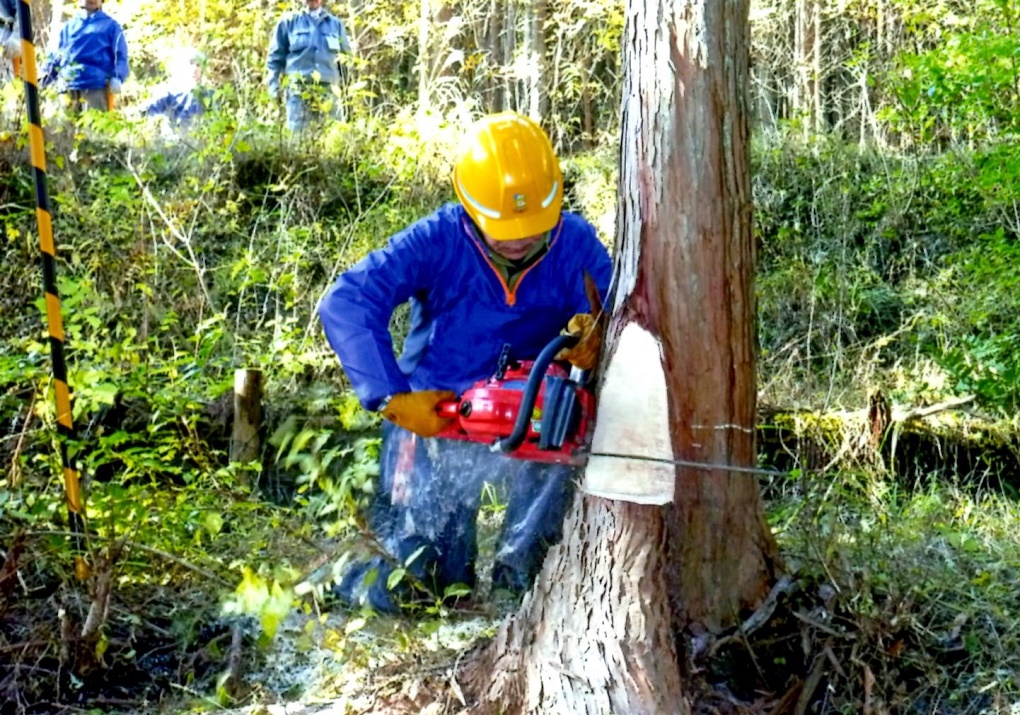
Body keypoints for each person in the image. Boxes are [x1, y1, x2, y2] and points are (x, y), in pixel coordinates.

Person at [319, 112, 612, 613]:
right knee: (423, 576)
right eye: (503, 228)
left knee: (534, 574)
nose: (518, 239)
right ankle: (346, 585)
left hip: (533, 420)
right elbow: (347, 302)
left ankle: (518, 598)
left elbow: (622, 313)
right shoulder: (439, 239)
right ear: (470, 205)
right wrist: (392, 397)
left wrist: (600, 337)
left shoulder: (576, 245)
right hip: (437, 414)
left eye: (531, 227)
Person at [266, 0, 350, 133]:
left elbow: (346, 61)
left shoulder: (336, 25)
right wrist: (273, 88)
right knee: (297, 140)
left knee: (333, 138)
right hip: (298, 93)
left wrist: (347, 93)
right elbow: (274, 60)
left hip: (329, 92)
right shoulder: (288, 23)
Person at [41, 0, 128, 113]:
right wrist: (45, 76)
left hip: (96, 87)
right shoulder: (68, 27)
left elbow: (121, 55)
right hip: (67, 87)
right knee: (67, 128)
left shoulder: (111, 26)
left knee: (94, 129)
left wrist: (118, 76)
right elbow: (57, 56)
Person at [143, 48, 211, 130]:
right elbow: (145, 112)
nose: (195, 69)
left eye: (198, 65)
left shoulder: (210, 95)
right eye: (191, 64)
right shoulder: (169, 93)